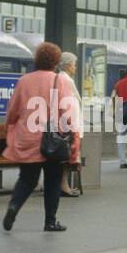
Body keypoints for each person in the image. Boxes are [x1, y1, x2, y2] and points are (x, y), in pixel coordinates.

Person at [2, 42, 80, 233]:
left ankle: (13, 207)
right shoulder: (59, 80)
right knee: (53, 180)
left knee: (27, 179)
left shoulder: (24, 80)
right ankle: (50, 222)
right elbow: (67, 111)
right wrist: (75, 137)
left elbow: (11, 112)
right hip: (52, 140)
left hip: (27, 138)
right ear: (55, 61)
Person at [58, 52, 83, 196]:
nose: (75, 68)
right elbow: (66, 104)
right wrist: (72, 126)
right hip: (67, 126)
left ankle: (64, 185)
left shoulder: (65, 79)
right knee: (66, 158)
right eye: (74, 65)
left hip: (69, 125)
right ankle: (64, 186)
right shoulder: (64, 80)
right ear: (68, 66)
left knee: (67, 158)